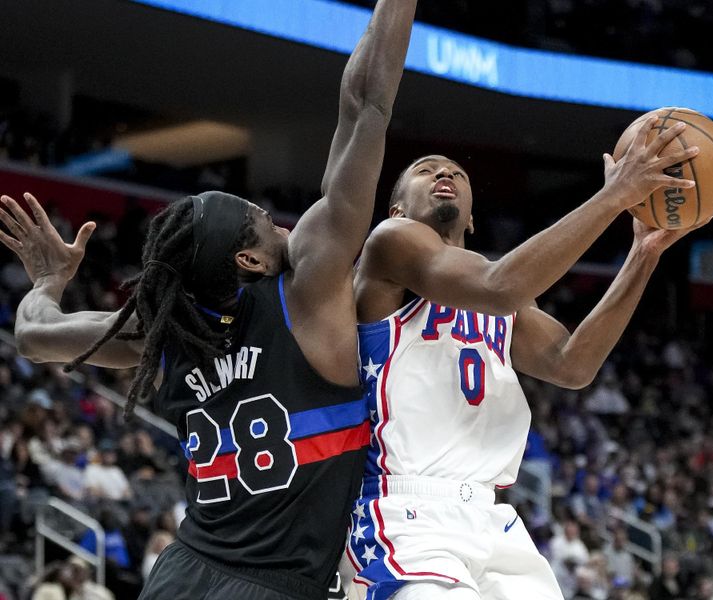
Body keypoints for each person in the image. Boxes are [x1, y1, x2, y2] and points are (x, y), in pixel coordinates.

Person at [0, 1, 417, 598]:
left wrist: (47, 284)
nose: (275, 221)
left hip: (180, 575)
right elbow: (368, 105)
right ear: (247, 261)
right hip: (274, 586)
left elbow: (33, 336)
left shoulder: (159, 332)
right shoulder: (305, 293)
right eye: (260, 220)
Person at [340, 121, 708, 600]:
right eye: (426, 171)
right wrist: (614, 195)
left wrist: (643, 254)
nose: (443, 174)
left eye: (456, 172)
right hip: (404, 510)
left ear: (472, 219)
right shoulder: (389, 246)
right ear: (397, 209)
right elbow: (500, 285)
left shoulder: (500, 291)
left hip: (492, 518)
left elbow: (571, 364)